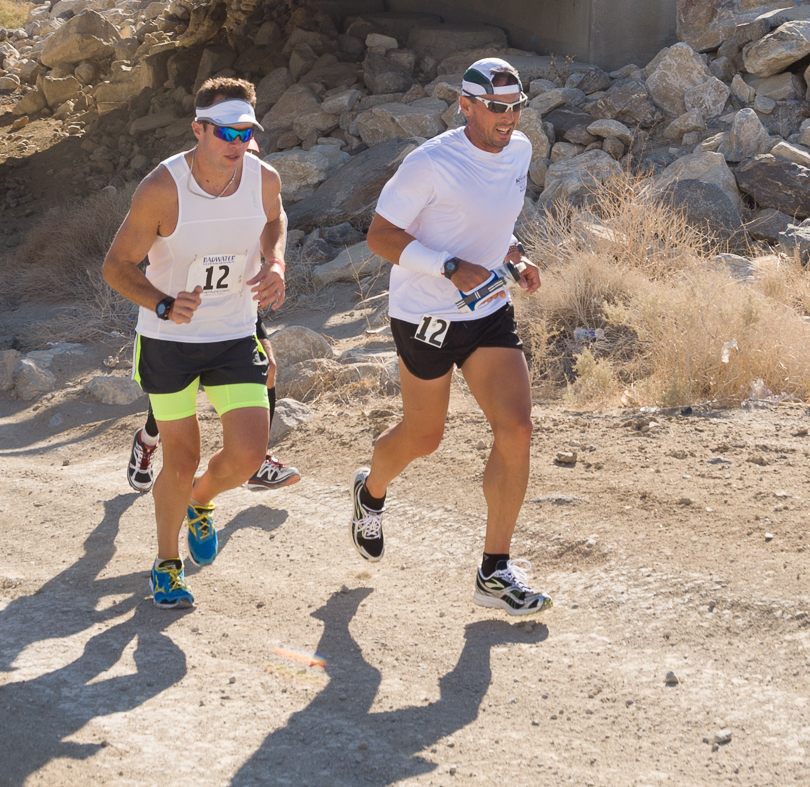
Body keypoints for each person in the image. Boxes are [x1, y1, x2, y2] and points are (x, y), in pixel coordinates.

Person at [350, 57, 551, 616]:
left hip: (486, 308)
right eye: (496, 108)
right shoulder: (429, 164)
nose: (508, 119)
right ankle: (371, 491)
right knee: (424, 436)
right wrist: (445, 266)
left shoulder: (520, 151)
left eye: (516, 108)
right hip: (424, 314)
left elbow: (490, 219)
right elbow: (381, 237)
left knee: (516, 428)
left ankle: (494, 571)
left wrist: (514, 255)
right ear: (465, 105)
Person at [102, 76, 288, 608]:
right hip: (170, 341)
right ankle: (166, 565)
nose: (237, 143)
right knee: (181, 460)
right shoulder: (162, 189)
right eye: (226, 133)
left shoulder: (263, 178)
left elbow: (274, 222)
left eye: (245, 133)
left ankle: (200, 502)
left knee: (249, 455)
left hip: (234, 331)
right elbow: (116, 267)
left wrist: (275, 263)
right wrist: (161, 302)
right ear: (199, 130)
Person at [125, 321, 301, 495]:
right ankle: (147, 439)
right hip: (179, 320)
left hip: (232, 311)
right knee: (174, 389)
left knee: (269, 366)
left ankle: (258, 462)